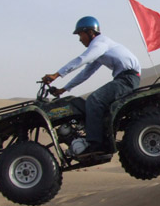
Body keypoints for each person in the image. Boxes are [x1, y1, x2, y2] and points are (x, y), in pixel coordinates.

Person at [42, 16, 141, 156]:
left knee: (94, 100)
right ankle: (99, 138)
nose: (79, 39)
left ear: (89, 32)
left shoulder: (100, 44)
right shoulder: (100, 49)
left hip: (127, 79)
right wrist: (64, 89)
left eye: (80, 34)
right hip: (125, 78)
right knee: (90, 102)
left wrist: (56, 74)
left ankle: (95, 145)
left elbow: (81, 60)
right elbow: (86, 72)